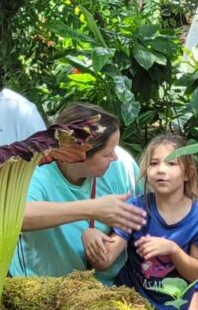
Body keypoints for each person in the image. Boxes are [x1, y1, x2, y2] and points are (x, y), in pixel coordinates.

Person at [10, 103, 145, 282]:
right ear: (78, 154)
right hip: (39, 286)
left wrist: (110, 245)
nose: (115, 157)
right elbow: (18, 217)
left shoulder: (122, 166)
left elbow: (138, 214)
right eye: (107, 154)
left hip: (103, 290)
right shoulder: (36, 170)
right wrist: (90, 209)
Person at [115, 133, 198, 310]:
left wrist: (172, 249)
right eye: (154, 163)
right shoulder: (136, 207)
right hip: (132, 309)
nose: (160, 170)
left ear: (188, 173)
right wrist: (91, 233)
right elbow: (107, 256)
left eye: (171, 164)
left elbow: (196, 274)